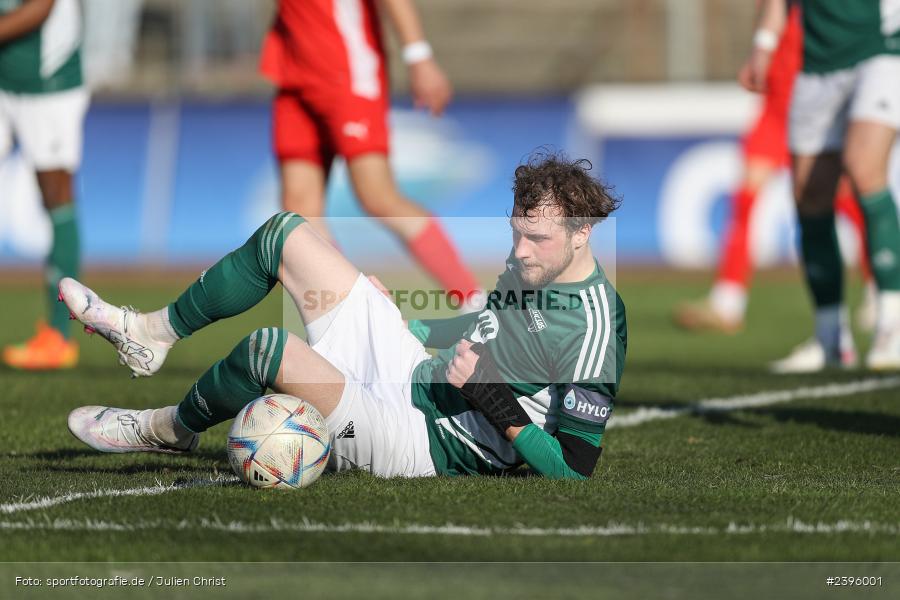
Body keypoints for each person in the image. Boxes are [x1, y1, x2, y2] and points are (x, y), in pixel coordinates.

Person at [61, 153, 626, 480]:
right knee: (284, 234)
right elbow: (485, 328)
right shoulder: (532, 264)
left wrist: (495, 399)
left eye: (538, 239)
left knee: (268, 350)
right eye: (516, 234)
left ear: (583, 233)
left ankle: (167, 430)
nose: (521, 251)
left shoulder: (595, 327)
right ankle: (148, 333)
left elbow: (573, 471)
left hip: (424, 442)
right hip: (411, 373)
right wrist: (404, 321)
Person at [675, 2, 875, 341]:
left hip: (811, 108)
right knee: (746, 200)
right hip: (774, 111)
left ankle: (879, 289)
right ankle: (728, 300)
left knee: (845, 202)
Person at [260, 0, 481, 304]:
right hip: (294, 73)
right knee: (300, 210)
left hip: (346, 70)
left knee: (378, 197)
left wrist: (419, 57)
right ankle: (353, 313)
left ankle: (474, 300)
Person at [741, 0, 900, 372]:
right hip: (816, 68)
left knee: (864, 168)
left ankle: (892, 323)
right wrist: (763, 47)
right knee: (808, 195)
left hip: (879, 54)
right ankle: (831, 338)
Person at [0, 0, 88, 370]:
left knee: (56, 198)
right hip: (3, 81)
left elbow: (40, 7)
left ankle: (57, 336)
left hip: (49, 84)